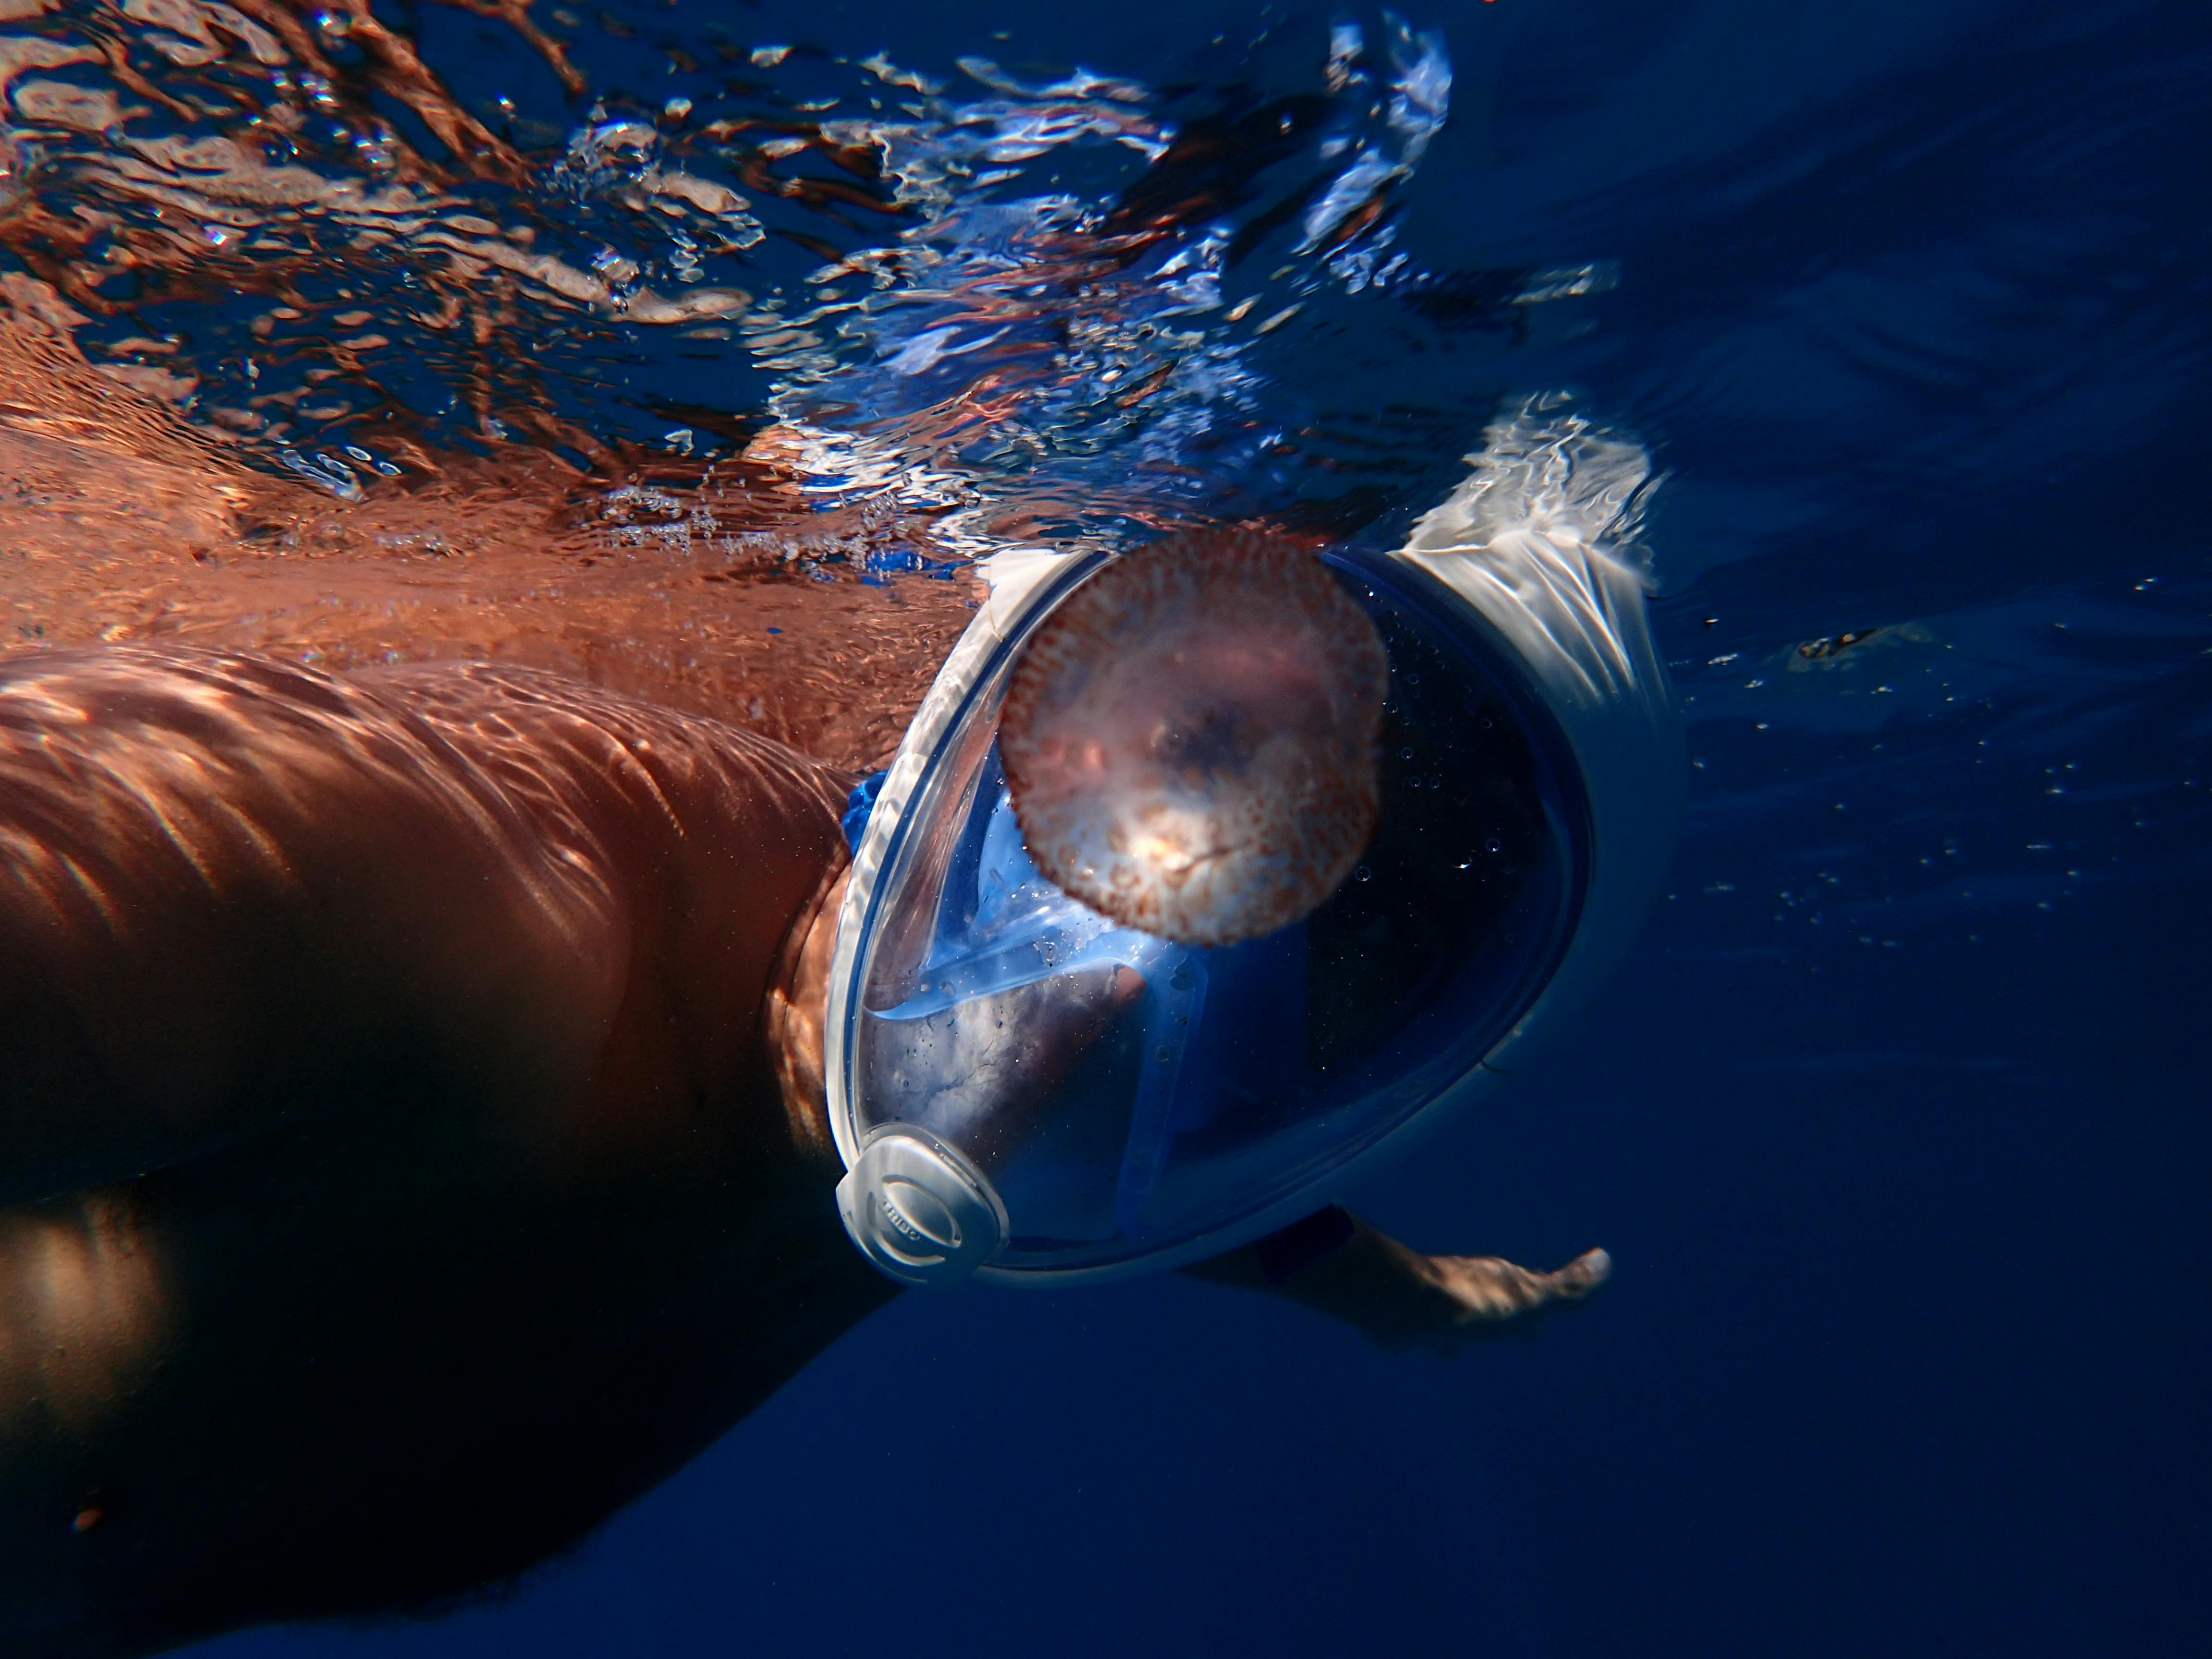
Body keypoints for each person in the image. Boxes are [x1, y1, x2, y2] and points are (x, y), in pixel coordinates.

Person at [0, 627, 1609, 1659]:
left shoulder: (1046, 1153)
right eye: (1130, 835)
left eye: (1252, 1034)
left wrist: (1390, 1291)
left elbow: (1205, 1188)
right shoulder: (470, 896)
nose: (1072, 1032)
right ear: (979, 724)